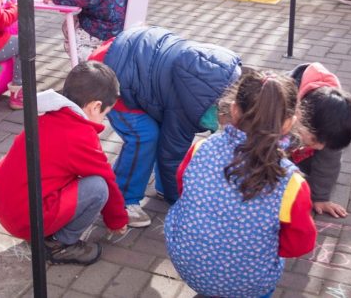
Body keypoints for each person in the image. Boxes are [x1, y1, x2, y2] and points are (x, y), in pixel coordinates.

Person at [166, 69, 317, 298]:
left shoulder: (200, 148)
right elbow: (299, 244)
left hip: (187, 263)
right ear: (289, 123)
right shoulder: (291, 183)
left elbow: (182, 190)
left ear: (234, 110)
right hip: (248, 284)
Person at [90, 27, 241, 223]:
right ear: (227, 110)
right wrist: (177, 199)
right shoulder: (193, 107)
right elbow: (172, 155)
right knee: (145, 136)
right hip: (112, 77)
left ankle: (163, 187)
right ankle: (123, 201)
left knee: (164, 133)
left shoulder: (225, 76)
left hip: (131, 51)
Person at [0, 61, 129, 265]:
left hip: (10, 204)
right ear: (95, 106)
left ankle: (47, 232)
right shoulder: (80, 135)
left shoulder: (51, 113)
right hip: (25, 219)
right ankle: (59, 244)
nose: (104, 121)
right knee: (97, 187)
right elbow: (106, 179)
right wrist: (117, 219)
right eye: (105, 115)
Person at [286, 62, 351, 218]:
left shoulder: (331, 120)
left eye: (324, 144)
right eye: (315, 140)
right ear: (299, 115)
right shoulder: (280, 104)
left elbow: (329, 162)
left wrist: (320, 198)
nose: (319, 147)